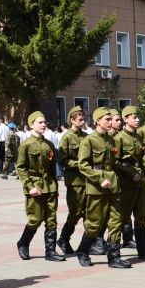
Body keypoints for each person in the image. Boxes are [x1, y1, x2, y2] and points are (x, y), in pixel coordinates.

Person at [75, 107, 131, 269]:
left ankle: (114, 257)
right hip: (97, 188)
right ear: (98, 121)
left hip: (113, 186)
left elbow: (113, 163)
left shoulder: (111, 140)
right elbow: (83, 166)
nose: (110, 121)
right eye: (107, 119)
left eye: (111, 119)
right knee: (94, 224)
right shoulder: (89, 140)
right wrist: (99, 179)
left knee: (115, 221)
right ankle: (82, 251)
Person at [14, 112, 67, 262]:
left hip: (49, 186)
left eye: (44, 122)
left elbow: (52, 169)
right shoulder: (26, 144)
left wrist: (55, 188)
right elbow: (21, 168)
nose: (43, 125)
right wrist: (29, 186)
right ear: (32, 124)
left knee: (51, 219)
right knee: (35, 219)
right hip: (35, 185)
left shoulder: (49, 144)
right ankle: (23, 243)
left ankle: (50, 251)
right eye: (40, 122)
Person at [114, 106, 145, 258]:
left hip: (140, 182)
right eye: (134, 117)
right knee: (122, 217)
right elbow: (115, 162)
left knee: (141, 217)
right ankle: (114, 252)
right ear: (125, 119)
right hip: (127, 183)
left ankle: (142, 251)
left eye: (137, 117)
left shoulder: (138, 137)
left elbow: (141, 159)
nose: (137, 120)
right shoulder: (119, 138)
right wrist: (130, 174)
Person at [57, 106, 88, 255]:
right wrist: (79, 164)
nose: (83, 122)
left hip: (87, 180)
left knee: (89, 213)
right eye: (80, 119)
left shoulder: (86, 136)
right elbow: (62, 160)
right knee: (75, 212)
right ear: (72, 120)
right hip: (75, 181)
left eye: (83, 119)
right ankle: (63, 238)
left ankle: (90, 243)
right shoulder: (67, 137)